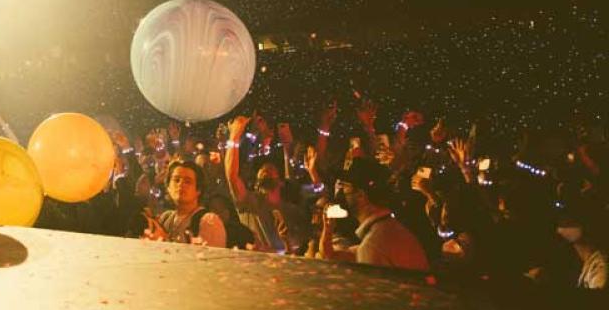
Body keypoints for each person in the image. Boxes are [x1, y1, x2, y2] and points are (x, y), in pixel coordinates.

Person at [321, 156, 430, 271]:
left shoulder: (373, 246)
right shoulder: (386, 229)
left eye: (345, 187)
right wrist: (327, 231)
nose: (341, 192)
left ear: (361, 195)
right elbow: (331, 256)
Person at [225, 115, 308, 253]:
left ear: (281, 182)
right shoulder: (249, 203)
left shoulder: (292, 212)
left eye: (271, 170)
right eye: (262, 172)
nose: (265, 171)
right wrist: (234, 135)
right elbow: (232, 176)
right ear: (257, 182)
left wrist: (286, 242)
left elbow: (300, 253)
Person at [143, 160, 226, 247]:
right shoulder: (166, 218)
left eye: (188, 182)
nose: (181, 184)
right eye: (176, 180)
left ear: (198, 190)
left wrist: (163, 240)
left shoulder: (209, 221)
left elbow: (210, 258)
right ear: (168, 187)